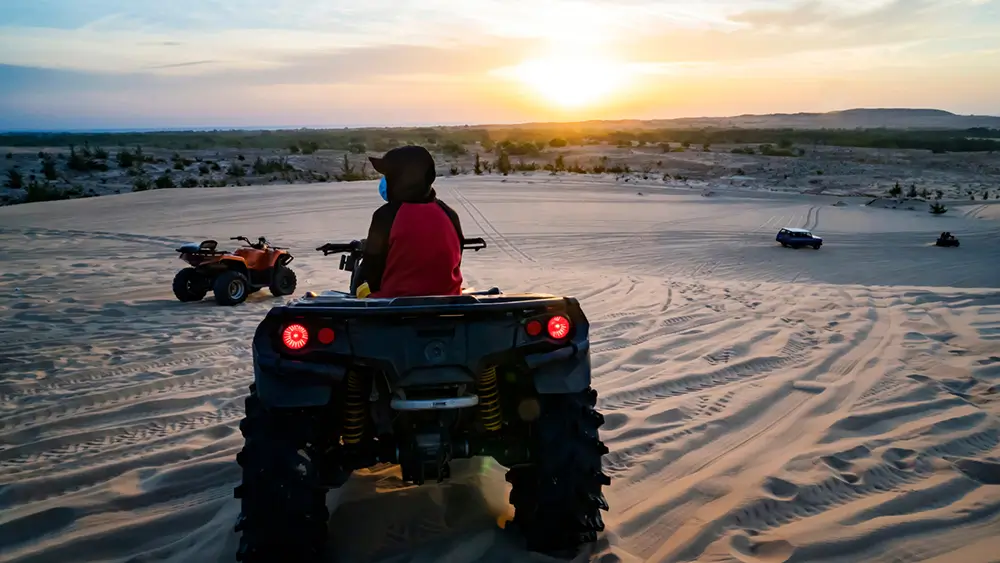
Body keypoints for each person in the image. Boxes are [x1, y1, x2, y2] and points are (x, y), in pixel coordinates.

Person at [355, 145, 465, 298]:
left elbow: (372, 269)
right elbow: (456, 261)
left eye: (388, 176)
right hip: (448, 302)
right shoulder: (449, 214)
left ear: (398, 179)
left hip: (393, 306)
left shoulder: (385, 216)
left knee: (359, 289)